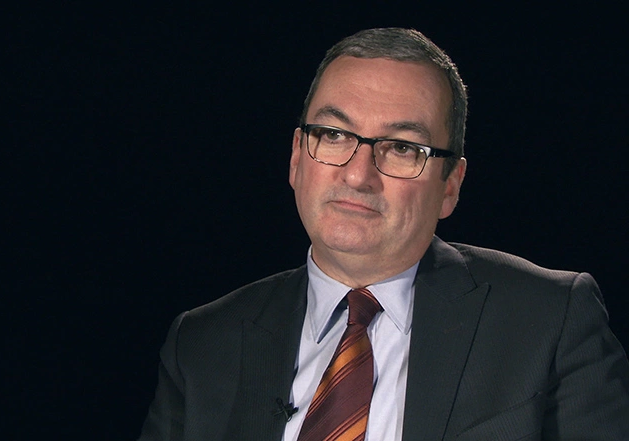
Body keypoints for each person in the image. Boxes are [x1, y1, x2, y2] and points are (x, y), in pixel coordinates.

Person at [137, 28, 629, 441]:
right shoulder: (202, 344)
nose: (357, 174)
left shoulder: (549, 321)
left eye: (400, 148)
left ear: (450, 186)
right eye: (333, 135)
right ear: (295, 157)